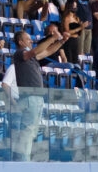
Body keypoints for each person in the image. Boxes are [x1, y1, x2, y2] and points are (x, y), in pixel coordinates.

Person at [12, 30, 68, 160]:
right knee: (27, 131)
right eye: (27, 39)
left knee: (31, 132)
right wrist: (52, 37)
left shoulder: (31, 56)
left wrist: (61, 41)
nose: (31, 41)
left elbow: (48, 51)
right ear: (20, 42)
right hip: (29, 98)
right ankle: (22, 162)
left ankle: (24, 159)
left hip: (36, 98)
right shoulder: (20, 53)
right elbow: (35, 51)